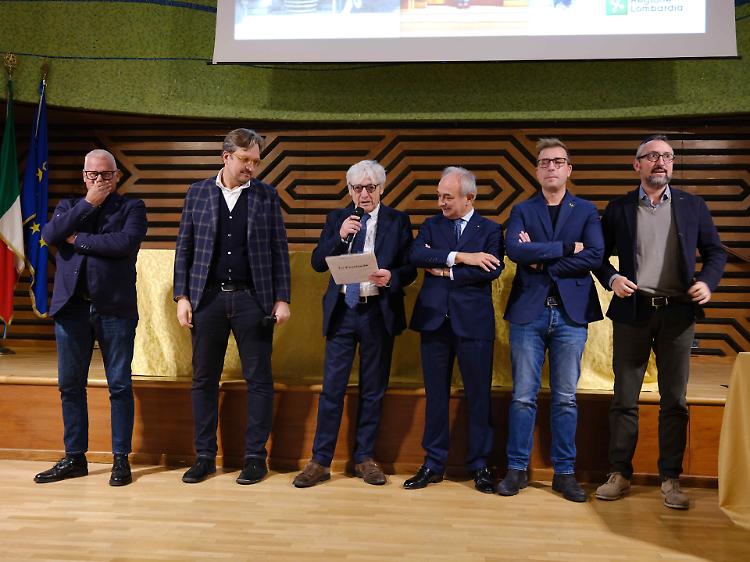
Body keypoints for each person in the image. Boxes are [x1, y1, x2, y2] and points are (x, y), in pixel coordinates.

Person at [594, 135, 726, 509]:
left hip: (678, 314)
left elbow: (715, 252)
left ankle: (671, 479)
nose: (661, 162)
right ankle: (619, 473)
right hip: (633, 313)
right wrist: (612, 278)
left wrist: (707, 282)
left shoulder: (692, 205)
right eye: (652, 156)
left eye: (667, 156)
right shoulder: (618, 208)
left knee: (675, 401)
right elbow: (598, 256)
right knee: (624, 398)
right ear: (636, 165)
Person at [173, 128, 291, 485]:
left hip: (252, 299)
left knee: (259, 380)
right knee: (203, 379)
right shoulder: (197, 193)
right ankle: (204, 457)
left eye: (256, 161)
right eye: (245, 160)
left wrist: (282, 298)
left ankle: (255, 458)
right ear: (226, 157)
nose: (251, 167)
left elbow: (278, 250)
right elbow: (185, 247)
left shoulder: (267, 195)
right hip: (206, 299)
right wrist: (182, 296)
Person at [293, 160, 416, 488]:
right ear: (349, 190)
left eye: (370, 187)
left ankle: (364, 458)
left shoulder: (398, 221)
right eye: (358, 188)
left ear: (381, 188)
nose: (364, 194)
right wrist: (339, 236)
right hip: (344, 312)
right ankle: (320, 461)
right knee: (332, 389)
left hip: (378, 311)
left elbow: (410, 268)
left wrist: (392, 276)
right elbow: (318, 263)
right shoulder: (337, 219)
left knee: (373, 390)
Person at [497, 138, 603, 502]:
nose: (551, 167)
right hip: (530, 312)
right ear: (537, 171)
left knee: (565, 399)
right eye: (545, 162)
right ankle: (516, 469)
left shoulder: (585, 210)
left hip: (571, 314)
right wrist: (566, 248)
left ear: (569, 169)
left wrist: (541, 259)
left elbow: (595, 255)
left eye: (558, 161)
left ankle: (565, 473)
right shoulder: (523, 210)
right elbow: (515, 250)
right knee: (522, 396)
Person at [34, 149, 147, 487]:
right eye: (93, 174)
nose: (99, 180)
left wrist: (78, 239)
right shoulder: (69, 206)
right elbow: (51, 235)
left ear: (117, 176)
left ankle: (120, 459)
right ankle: (75, 458)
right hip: (72, 308)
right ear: (84, 176)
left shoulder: (132, 207)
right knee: (70, 385)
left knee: (120, 385)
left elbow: (124, 244)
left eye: (106, 174)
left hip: (115, 308)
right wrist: (88, 204)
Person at [405, 166, 504, 493]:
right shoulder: (431, 225)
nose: (441, 203)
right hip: (434, 321)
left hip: (474, 323)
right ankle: (433, 463)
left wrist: (446, 271)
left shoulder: (491, 229)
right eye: (439, 196)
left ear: (469, 198)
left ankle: (480, 465)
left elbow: (491, 269)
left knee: (478, 396)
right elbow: (417, 255)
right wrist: (462, 256)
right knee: (436, 396)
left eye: (447, 197)